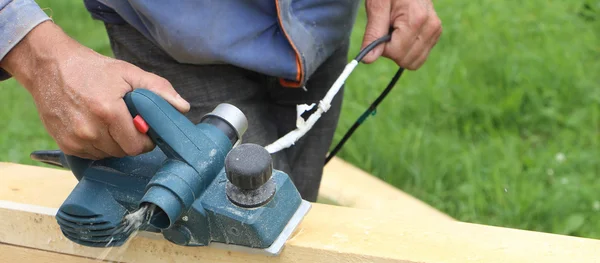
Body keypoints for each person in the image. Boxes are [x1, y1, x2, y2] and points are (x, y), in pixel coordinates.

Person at [0, 0, 441, 202]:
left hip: (321, 28)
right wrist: (37, 54)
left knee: (290, 219)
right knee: (225, 250)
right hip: (170, 36)